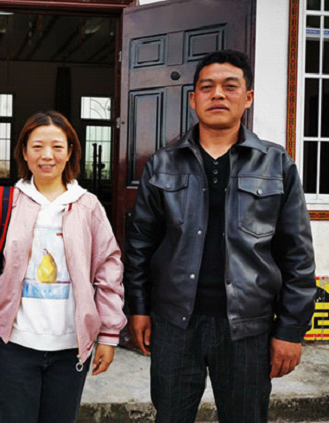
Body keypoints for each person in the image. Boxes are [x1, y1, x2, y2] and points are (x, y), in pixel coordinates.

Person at [125, 50, 316, 423]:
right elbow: (140, 246)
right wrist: (139, 307)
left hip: (248, 326)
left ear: (248, 97)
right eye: (207, 87)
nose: (217, 95)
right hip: (175, 323)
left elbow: (297, 254)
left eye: (230, 87)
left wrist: (291, 329)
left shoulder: (276, 165)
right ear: (193, 98)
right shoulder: (163, 164)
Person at [0, 110, 126, 423]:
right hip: (15, 343)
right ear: (24, 151)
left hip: (71, 346)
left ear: (70, 151)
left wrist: (108, 334)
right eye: (37, 146)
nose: (47, 155)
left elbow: (108, 269)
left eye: (57, 146)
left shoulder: (87, 206)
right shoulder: (3, 203)